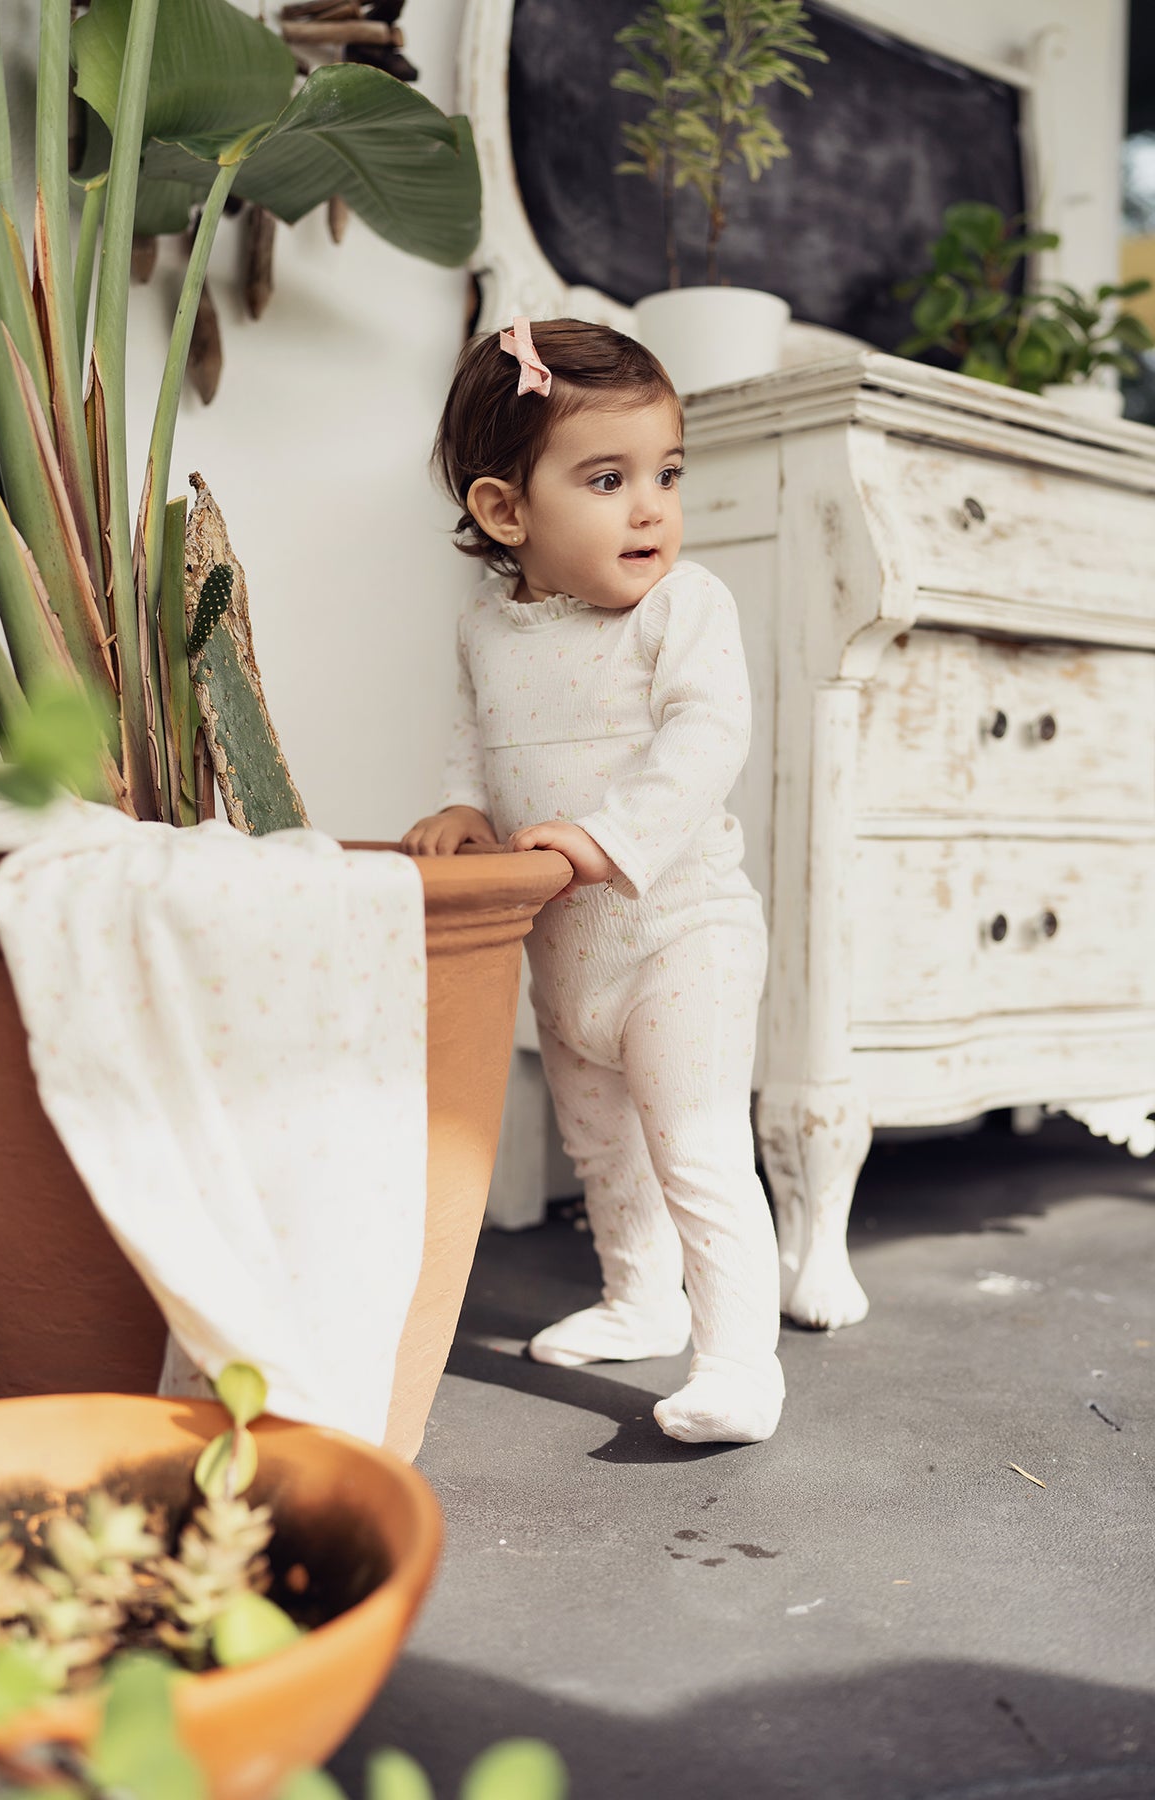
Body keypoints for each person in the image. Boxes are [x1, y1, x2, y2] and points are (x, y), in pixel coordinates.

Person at [402, 317, 783, 1445]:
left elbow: (708, 738)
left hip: (680, 932)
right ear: (505, 511)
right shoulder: (485, 633)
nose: (652, 508)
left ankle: (739, 1364)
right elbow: (475, 741)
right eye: (609, 480)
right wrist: (464, 806)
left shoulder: (683, 608)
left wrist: (602, 840)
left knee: (696, 1145)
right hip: (567, 953)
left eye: (668, 473)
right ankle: (637, 1298)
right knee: (602, 1145)